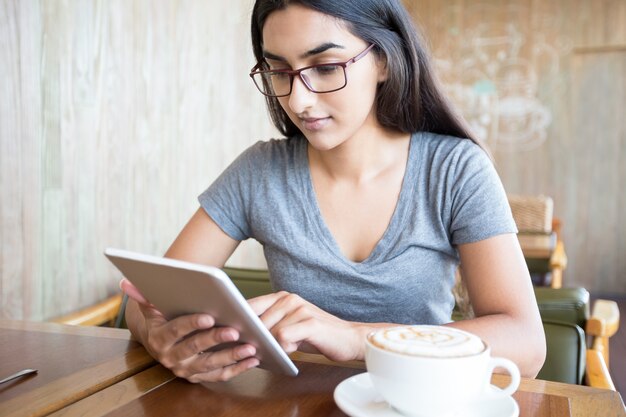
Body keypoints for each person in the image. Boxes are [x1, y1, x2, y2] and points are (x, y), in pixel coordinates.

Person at [121, 0, 546, 383]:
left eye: (325, 67)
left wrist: (356, 338)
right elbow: (144, 303)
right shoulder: (258, 172)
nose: (300, 100)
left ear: (383, 60)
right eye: (280, 71)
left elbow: (525, 345)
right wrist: (158, 335)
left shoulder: (455, 170)